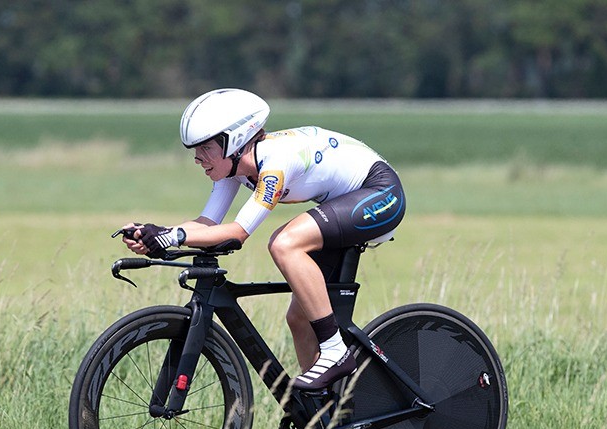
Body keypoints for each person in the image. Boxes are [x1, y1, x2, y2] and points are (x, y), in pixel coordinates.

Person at [121, 88, 405, 391]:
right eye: (194, 149)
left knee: (284, 242)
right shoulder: (233, 169)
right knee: (300, 320)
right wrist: (158, 233)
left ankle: (336, 351)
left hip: (380, 193)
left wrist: (174, 237)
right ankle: (324, 418)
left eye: (204, 148)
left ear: (233, 141)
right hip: (341, 204)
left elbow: (238, 232)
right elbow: (207, 225)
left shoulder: (276, 163)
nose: (197, 158)